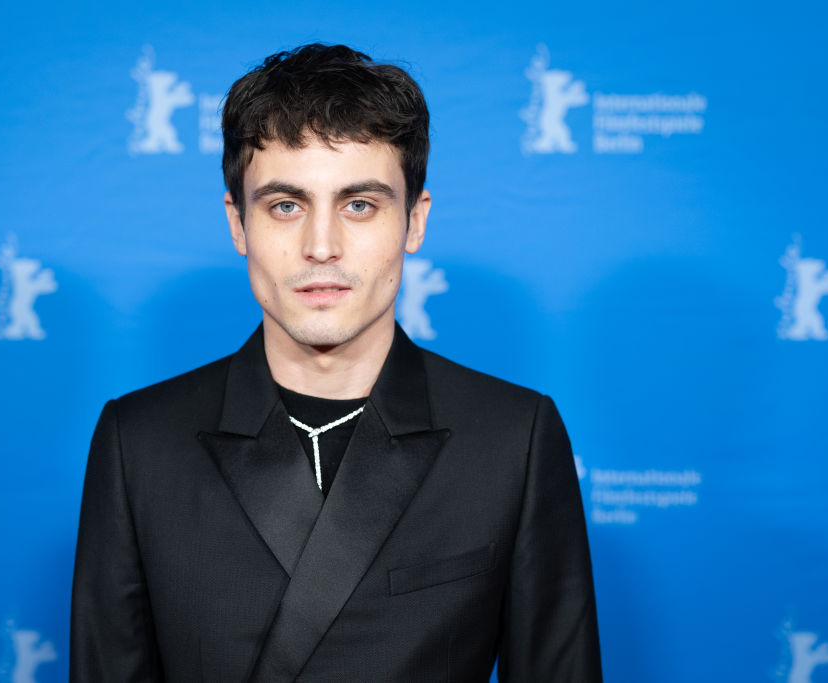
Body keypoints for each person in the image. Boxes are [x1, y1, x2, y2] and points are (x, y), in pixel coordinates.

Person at [71, 43, 602, 682]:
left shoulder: (514, 437)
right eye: (285, 206)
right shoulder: (139, 442)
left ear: (414, 222)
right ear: (238, 224)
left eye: (359, 205)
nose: (321, 246)